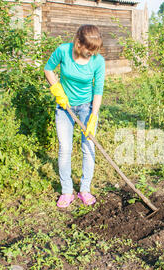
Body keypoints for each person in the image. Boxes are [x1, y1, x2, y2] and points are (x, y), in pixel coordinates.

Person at [44, 25, 106, 208]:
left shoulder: (98, 61)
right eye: (89, 50)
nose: (92, 54)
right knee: (65, 148)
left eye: (95, 51)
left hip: (87, 107)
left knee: (89, 147)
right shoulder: (63, 51)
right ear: (78, 43)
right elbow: (48, 69)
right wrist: (57, 91)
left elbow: (98, 89)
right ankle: (66, 192)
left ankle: (84, 190)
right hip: (64, 107)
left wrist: (93, 116)